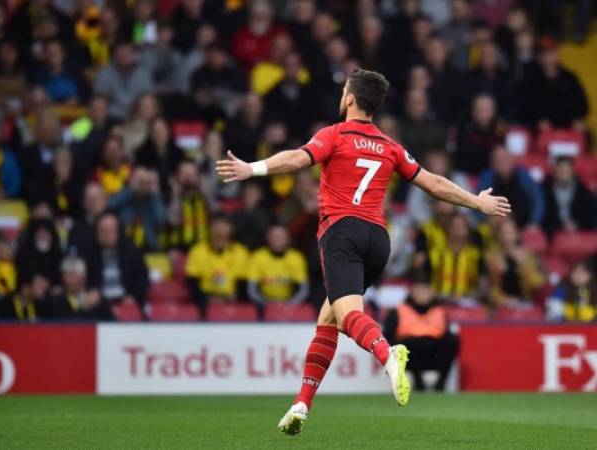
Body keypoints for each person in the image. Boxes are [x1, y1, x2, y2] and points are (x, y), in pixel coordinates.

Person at [216, 68, 510, 434]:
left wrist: (253, 168)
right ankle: (301, 405)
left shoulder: (335, 135)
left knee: (349, 315)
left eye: (344, 91)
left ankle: (389, 355)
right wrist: (475, 203)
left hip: (342, 232)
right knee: (329, 318)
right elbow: (432, 182)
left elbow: (297, 158)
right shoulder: (390, 145)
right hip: (378, 239)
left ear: (350, 98)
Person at [383, 269, 459, 391]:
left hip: (433, 355)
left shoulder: (439, 310)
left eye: (425, 290)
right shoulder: (398, 311)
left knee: (452, 340)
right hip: (409, 358)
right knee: (406, 345)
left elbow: (446, 334)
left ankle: (440, 385)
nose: (422, 294)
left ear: (431, 292)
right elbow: (387, 338)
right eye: (419, 290)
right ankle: (419, 384)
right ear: (412, 291)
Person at [184, 215, 250, 316]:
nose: (220, 229)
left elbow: (244, 282)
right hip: (205, 302)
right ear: (211, 227)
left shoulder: (241, 252)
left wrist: (236, 296)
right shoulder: (198, 250)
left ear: (231, 229)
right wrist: (205, 298)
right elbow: (192, 281)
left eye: (224, 225)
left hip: (233, 302)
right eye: (217, 225)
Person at [85, 212, 149, 309]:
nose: (106, 234)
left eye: (110, 230)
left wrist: (133, 296)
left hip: (126, 303)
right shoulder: (89, 254)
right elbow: (85, 280)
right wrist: (90, 292)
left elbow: (142, 279)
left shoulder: (132, 252)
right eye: (102, 230)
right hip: (99, 304)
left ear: (118, 231)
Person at [477, 145, 543, 229]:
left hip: (522, 225)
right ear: (492, 164)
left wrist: (534, 222)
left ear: (512, 160)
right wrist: (484, 222)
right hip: (493, 227)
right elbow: (477, 203)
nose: (502, 164)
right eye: (498, 161)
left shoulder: (523, 177)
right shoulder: (487, 179)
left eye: (505, 160)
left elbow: (538, 201)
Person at [485, 219, 545, 306]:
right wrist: (504, 300)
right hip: (501, 306)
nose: (507, 237)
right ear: (498, 235)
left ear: (517, 234)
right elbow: (491, 290)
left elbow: (537, 284)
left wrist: (523, 265)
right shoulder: (492, 257)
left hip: (525, 303)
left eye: (510, 232)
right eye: (504, 233)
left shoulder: (528, 256)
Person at [247, 224, 309, 305]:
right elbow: (251, 290)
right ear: (268, 239)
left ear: (288, 239)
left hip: (290, 303)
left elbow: (304, 290)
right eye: (274, 237)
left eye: (281, 238)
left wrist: (289, 304)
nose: (278, 240)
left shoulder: (296, 258)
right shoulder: (258, 257)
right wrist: (266, 304)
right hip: (262, 303)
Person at [542, 157, 597, 237]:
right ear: (554, 171)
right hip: (553, 231)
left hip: (579, 230)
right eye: (561, 170)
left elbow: (590, 215)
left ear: (573, 172)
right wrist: (561, 225)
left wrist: (577, 225)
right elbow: (544, 215)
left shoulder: (583, 191)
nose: (564, 173)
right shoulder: (545, 190)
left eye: (567, 170)